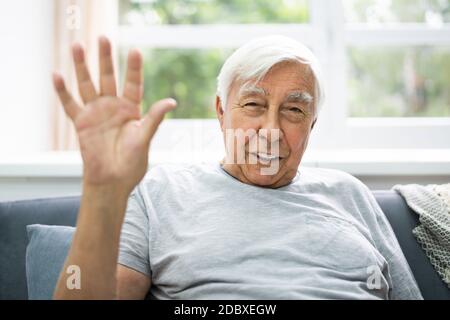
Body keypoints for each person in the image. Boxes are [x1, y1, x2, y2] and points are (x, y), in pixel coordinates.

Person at [52, 35, 422, 300]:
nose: (272, 131)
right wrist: (103, 192)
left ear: (312, 124)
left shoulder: (349, 193)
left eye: (293, 110)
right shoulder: (160, 191)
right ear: (220, 111)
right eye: (253, 105)